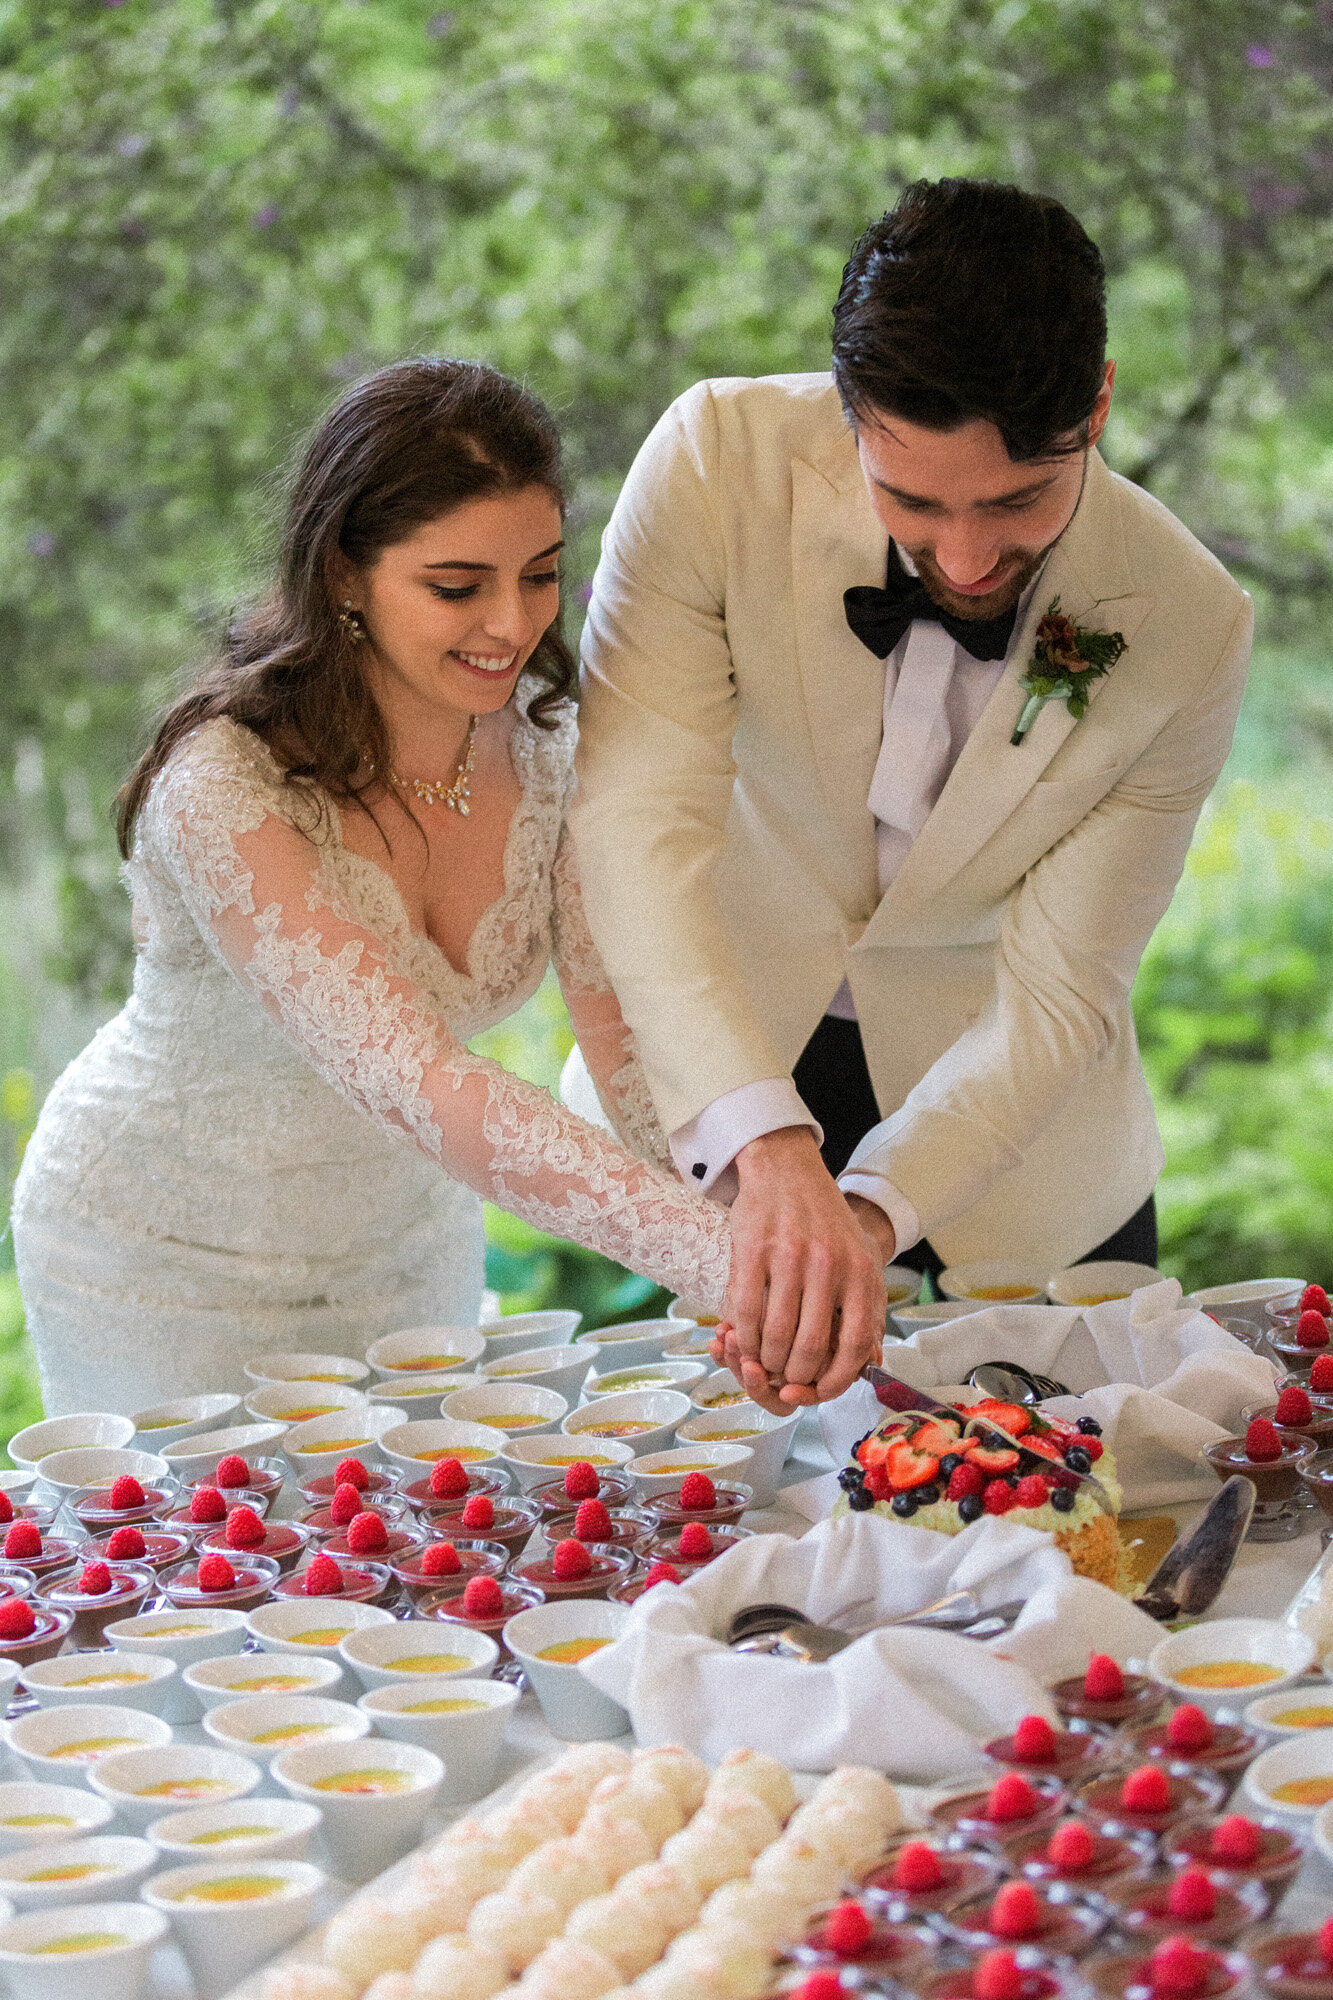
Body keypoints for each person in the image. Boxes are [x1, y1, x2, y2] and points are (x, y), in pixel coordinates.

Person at [570, 178, 1253, 1414]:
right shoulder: (713, 464)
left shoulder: (1191, 621)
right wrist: (772, 1153)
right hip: (711, 1094)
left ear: (1095, 404)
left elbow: (1061, 988)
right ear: (848, 417)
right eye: (913, 501)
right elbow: (631, 824)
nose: (967, 557)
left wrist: (869, 1208)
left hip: (1030, 1160)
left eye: (1015, 502)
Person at [12, 359, 730, 1415]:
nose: (512, 622)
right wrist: (723, 1255)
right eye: (457, 586)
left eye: (539, 573)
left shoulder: (549, 743)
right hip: (157, 1257)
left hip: (404, 1251)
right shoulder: (223, 780)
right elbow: (422, 1082)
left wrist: (747, 1218)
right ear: (344, 572)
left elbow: (621, 1033)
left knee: (418, 1563)